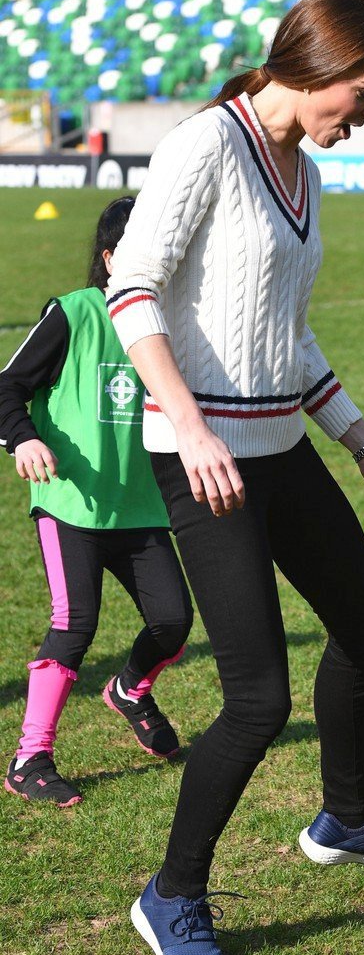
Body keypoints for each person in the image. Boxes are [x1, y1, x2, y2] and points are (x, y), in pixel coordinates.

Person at [105, 0, 364, 955]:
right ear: (320, 65)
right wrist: (191, 426)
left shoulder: (305, 172)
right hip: (198, 457)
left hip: (278, 445)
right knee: (257, 696)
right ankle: (172, 894)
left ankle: (344, 812)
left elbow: (286, 338)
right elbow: (130, 288)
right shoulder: (205, 144)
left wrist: (363, 439)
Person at [0, 197, 193, 807]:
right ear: (111, 259)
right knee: (74, 622)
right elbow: (7, 384)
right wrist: (22, 436)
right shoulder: (73, 313)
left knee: (174, 621)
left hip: (140, 506)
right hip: (71, 503)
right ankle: (31, 757)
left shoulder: (170, 325)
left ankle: (130, 690)